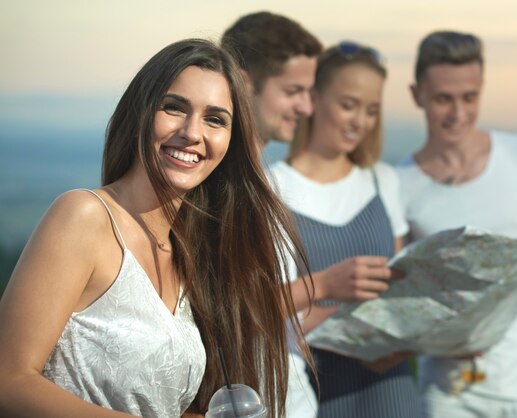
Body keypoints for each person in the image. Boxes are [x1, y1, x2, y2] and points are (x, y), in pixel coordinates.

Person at [0, 38, 305, 418]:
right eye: (174, 108)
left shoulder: (192, 253)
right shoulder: (83, 217)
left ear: (231, 140)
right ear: (141, 112)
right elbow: (10, 381)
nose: (193, 132)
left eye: (215, 119)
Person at [396, 31, 517, 418]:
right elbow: (400, 294)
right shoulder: (399, 182)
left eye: (469, 98)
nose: (458, 113)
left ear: (482, 89)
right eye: (443, 99)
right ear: (416, 94)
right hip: (447, 392)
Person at [270, 41, 420, 418]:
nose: (360, 122)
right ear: (314, 99)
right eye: (348, 105)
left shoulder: (383, 181)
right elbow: (261, 306)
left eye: (371, 110)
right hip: (316, 396)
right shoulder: (272, 189)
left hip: (393, 394)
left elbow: (401, 289)